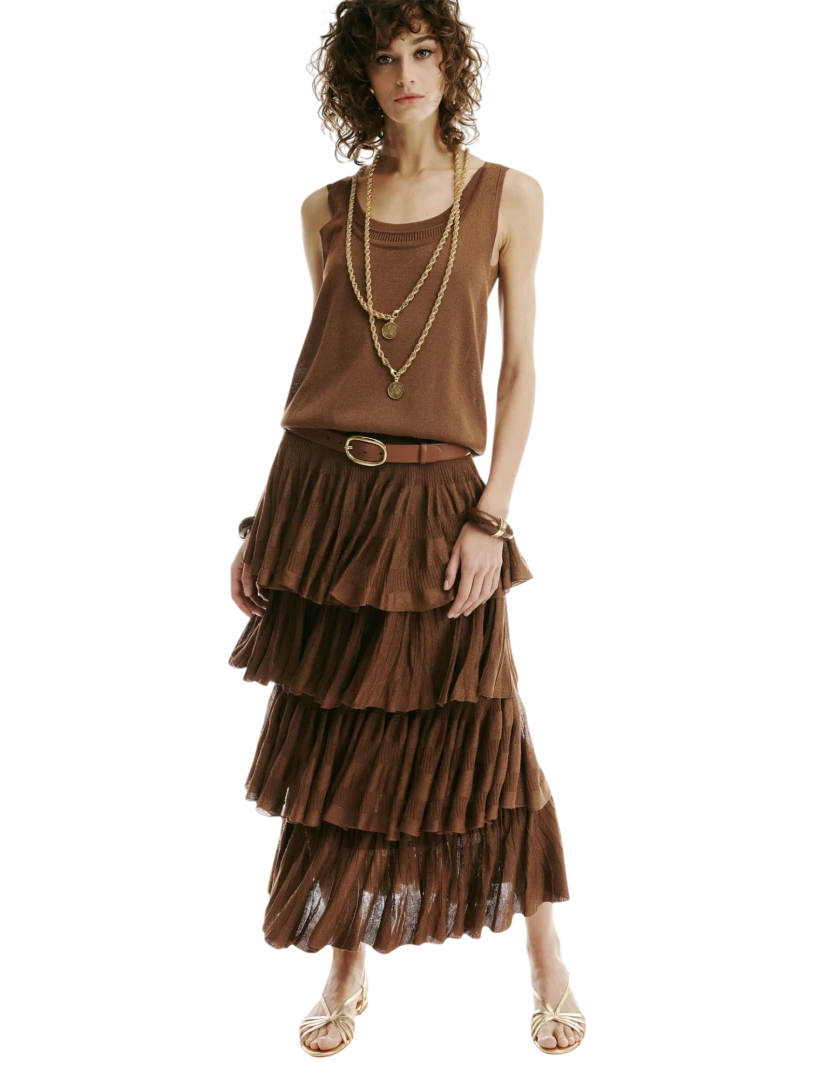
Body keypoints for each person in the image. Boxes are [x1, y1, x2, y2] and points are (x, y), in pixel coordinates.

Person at [228, 0, 586, 1057]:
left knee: (486, 726)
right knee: (344, 730)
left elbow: (520, 373)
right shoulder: (327, 209)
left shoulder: (508, 196)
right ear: (359, 77)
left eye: (424, 51)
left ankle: (549, 963)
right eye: (383, 57)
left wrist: (490, 515)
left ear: (453, 63)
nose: (405, 74)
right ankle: (346, 967)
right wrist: (261, 525)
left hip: (441, 499)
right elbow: (318, 373)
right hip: (325, 496)